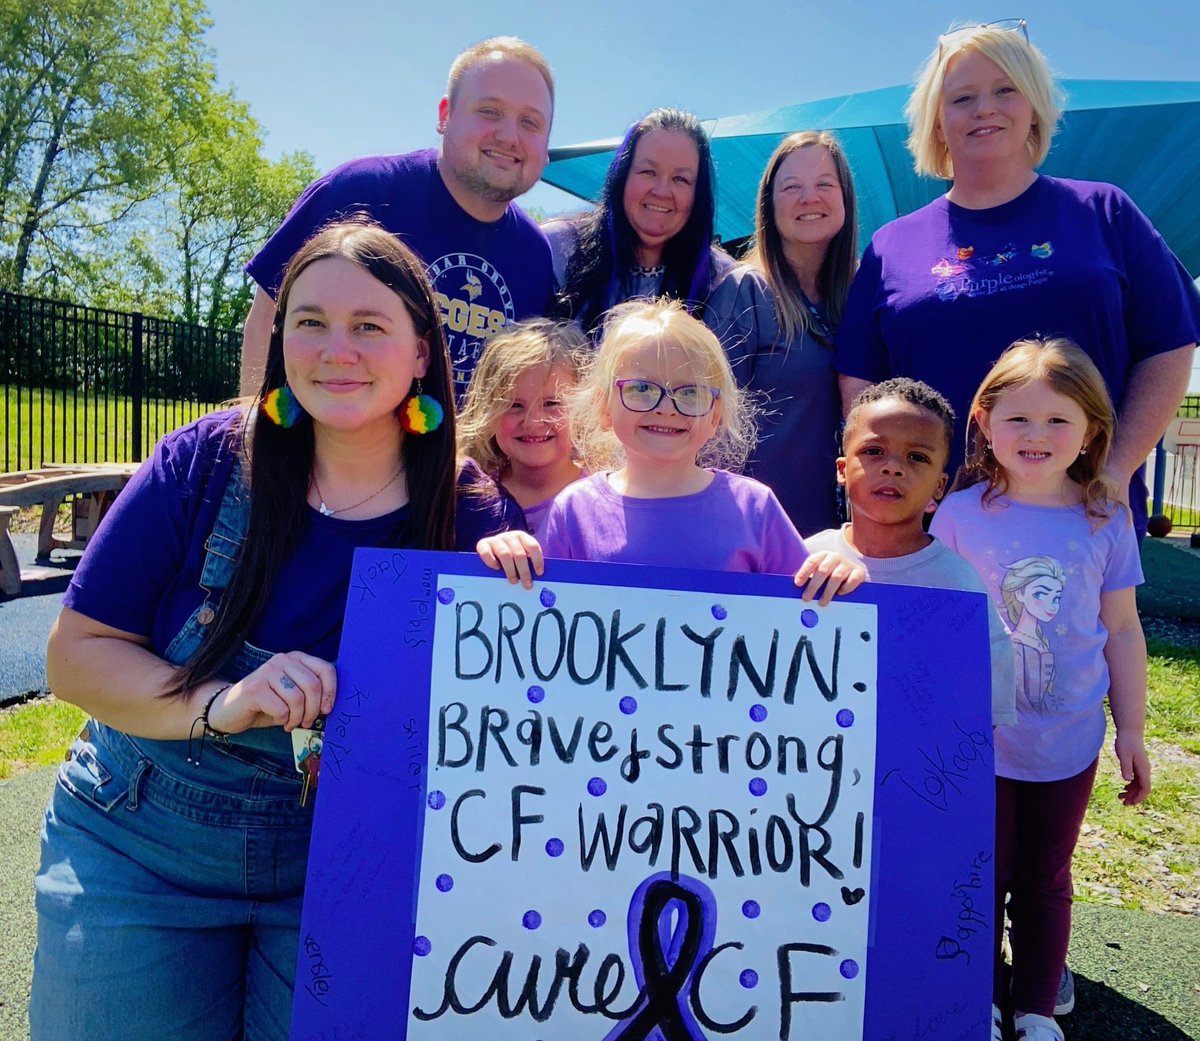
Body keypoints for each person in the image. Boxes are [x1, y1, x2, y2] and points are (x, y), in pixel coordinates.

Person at [30, 220, 523, 1041]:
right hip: (140, 839)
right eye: (311, 322)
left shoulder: (471, 514)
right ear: (281, 339)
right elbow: (74, 657)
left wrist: (519, 584)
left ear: (420, 355)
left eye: (370, 326)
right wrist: (220, 701)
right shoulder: (204, 461)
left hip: (347, 865)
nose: (338, 349)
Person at [836, 20, 1200, 537]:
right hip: (931, 534)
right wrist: (887, 492)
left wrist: (1115, 472)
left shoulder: (1105, 211)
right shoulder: (890, 246)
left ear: (1033, 107)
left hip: (1084, 521)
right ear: (937, 121)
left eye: (1005, 90)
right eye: (962, 97)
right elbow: (862, 384)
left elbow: (1168, 346)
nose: (985, 107)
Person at [930, 338, 1150, 1041]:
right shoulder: (959, 516)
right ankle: (979, 998)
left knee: (1046, 875)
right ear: (986, 421)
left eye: (1059, 420)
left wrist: (1134, 731)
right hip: (978, 742)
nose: (1037, 436)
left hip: (1069, 741)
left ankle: (1033, 1007)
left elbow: (1122, 630)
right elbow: (933, 623)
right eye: (1019, 418)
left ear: (1090, 431)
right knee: (982, 872)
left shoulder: (1106, 518)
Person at [475, 299, 866, 604]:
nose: (666, 407)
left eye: (690, 392)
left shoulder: (754, 508)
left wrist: (837, 576)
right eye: (641, 389)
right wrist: (503, 558)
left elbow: (812, 612)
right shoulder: (575, 509)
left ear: (716, 416)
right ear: (602, 408)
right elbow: (537, 617)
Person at [240, 36, 556, 398]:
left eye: (530, 122)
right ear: (445, 115)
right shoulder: (360, 192)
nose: (509, 135)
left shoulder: (535, 253)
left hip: (462, 455)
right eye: (489, 111)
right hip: (327, 451)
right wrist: (254, 436)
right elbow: (268, 316)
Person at [805, 378, 1015, 727]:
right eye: (873, 451)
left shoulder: (956, 584)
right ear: (842, 469)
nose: (893, 467)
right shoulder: (804, 560)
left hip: (916, 775)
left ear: (939, 485)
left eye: (917, 457)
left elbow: (981, 714)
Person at [705, 130, 859, 534]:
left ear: (845, 197)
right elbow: (711, 429)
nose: (810, 197)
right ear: (769, 206)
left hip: (846, 539)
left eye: (825, 184)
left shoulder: (862, 295)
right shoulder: (745, 292)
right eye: (792, 187)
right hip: (758, 533)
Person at [546, 108, 744, 341]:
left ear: (698, 194)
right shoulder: (556, 248)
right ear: (622, 176)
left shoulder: (723, 282)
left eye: (680, 179)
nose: (661, 191)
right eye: (648, 171)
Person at [457, 317, 588, 532]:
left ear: (584, 406)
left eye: (551, 403)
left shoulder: (602, 499)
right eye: (515, 405)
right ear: (488, 410)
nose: (533, 421)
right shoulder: (470, 496)